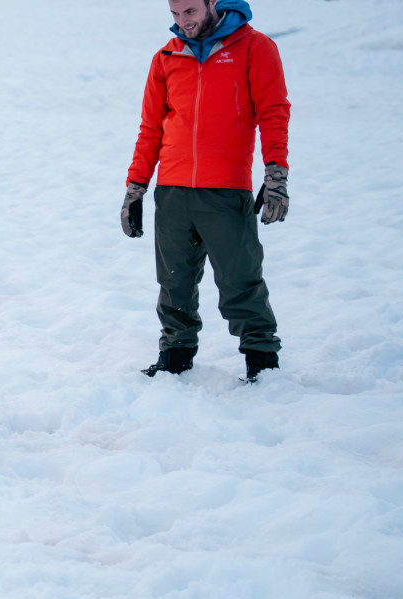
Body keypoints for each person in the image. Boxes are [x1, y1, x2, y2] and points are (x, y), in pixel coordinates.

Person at [120, 0, 290, 382]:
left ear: (213, 3)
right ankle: (176, 353)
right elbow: (151, 127)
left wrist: (276, 174)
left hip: (226, 189)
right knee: (174, 280)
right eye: (176, 15)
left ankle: (261, 358)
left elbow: (273, 111)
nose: (183, 22)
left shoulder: (254, 47)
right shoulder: (166, 56)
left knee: (240, 278)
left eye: (191, 12)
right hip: (173, 190)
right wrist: (136, 186)